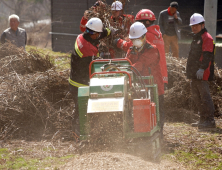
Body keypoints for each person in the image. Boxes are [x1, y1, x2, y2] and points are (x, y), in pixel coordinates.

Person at [69, 17, 112, 133]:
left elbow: (97, 34)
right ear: (94, 34)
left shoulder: (82, 36)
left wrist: (109, 31)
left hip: (76, 79)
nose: (97, 36)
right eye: (97, 34)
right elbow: (96, 64)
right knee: (81, 109)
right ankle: (78, 132)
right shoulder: (87, 49)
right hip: (79, 84)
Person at [125, 22, 165, 137]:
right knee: (140, 111)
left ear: (144, 37)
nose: (135, 41)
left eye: (137, 38)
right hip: (139, 88)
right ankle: (140, 132)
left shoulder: (152, 50)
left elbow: (140, 64)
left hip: (154, 87)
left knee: (157, 113)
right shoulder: (131, 50)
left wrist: (129, 67)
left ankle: (159, 134)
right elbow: (127, 62)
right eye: (133, 39)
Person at [186, 13, 216, 129]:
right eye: (192, 26)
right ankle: (202, 118)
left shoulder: (207, 38)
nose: (194, 28)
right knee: (196, 96)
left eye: (196, 25)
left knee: (205, 97)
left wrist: (202, 69)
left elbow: (207, 55)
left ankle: (210, 120)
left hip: (202, 73)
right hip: (194, 73)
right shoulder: (196, 37)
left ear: (202, 25)